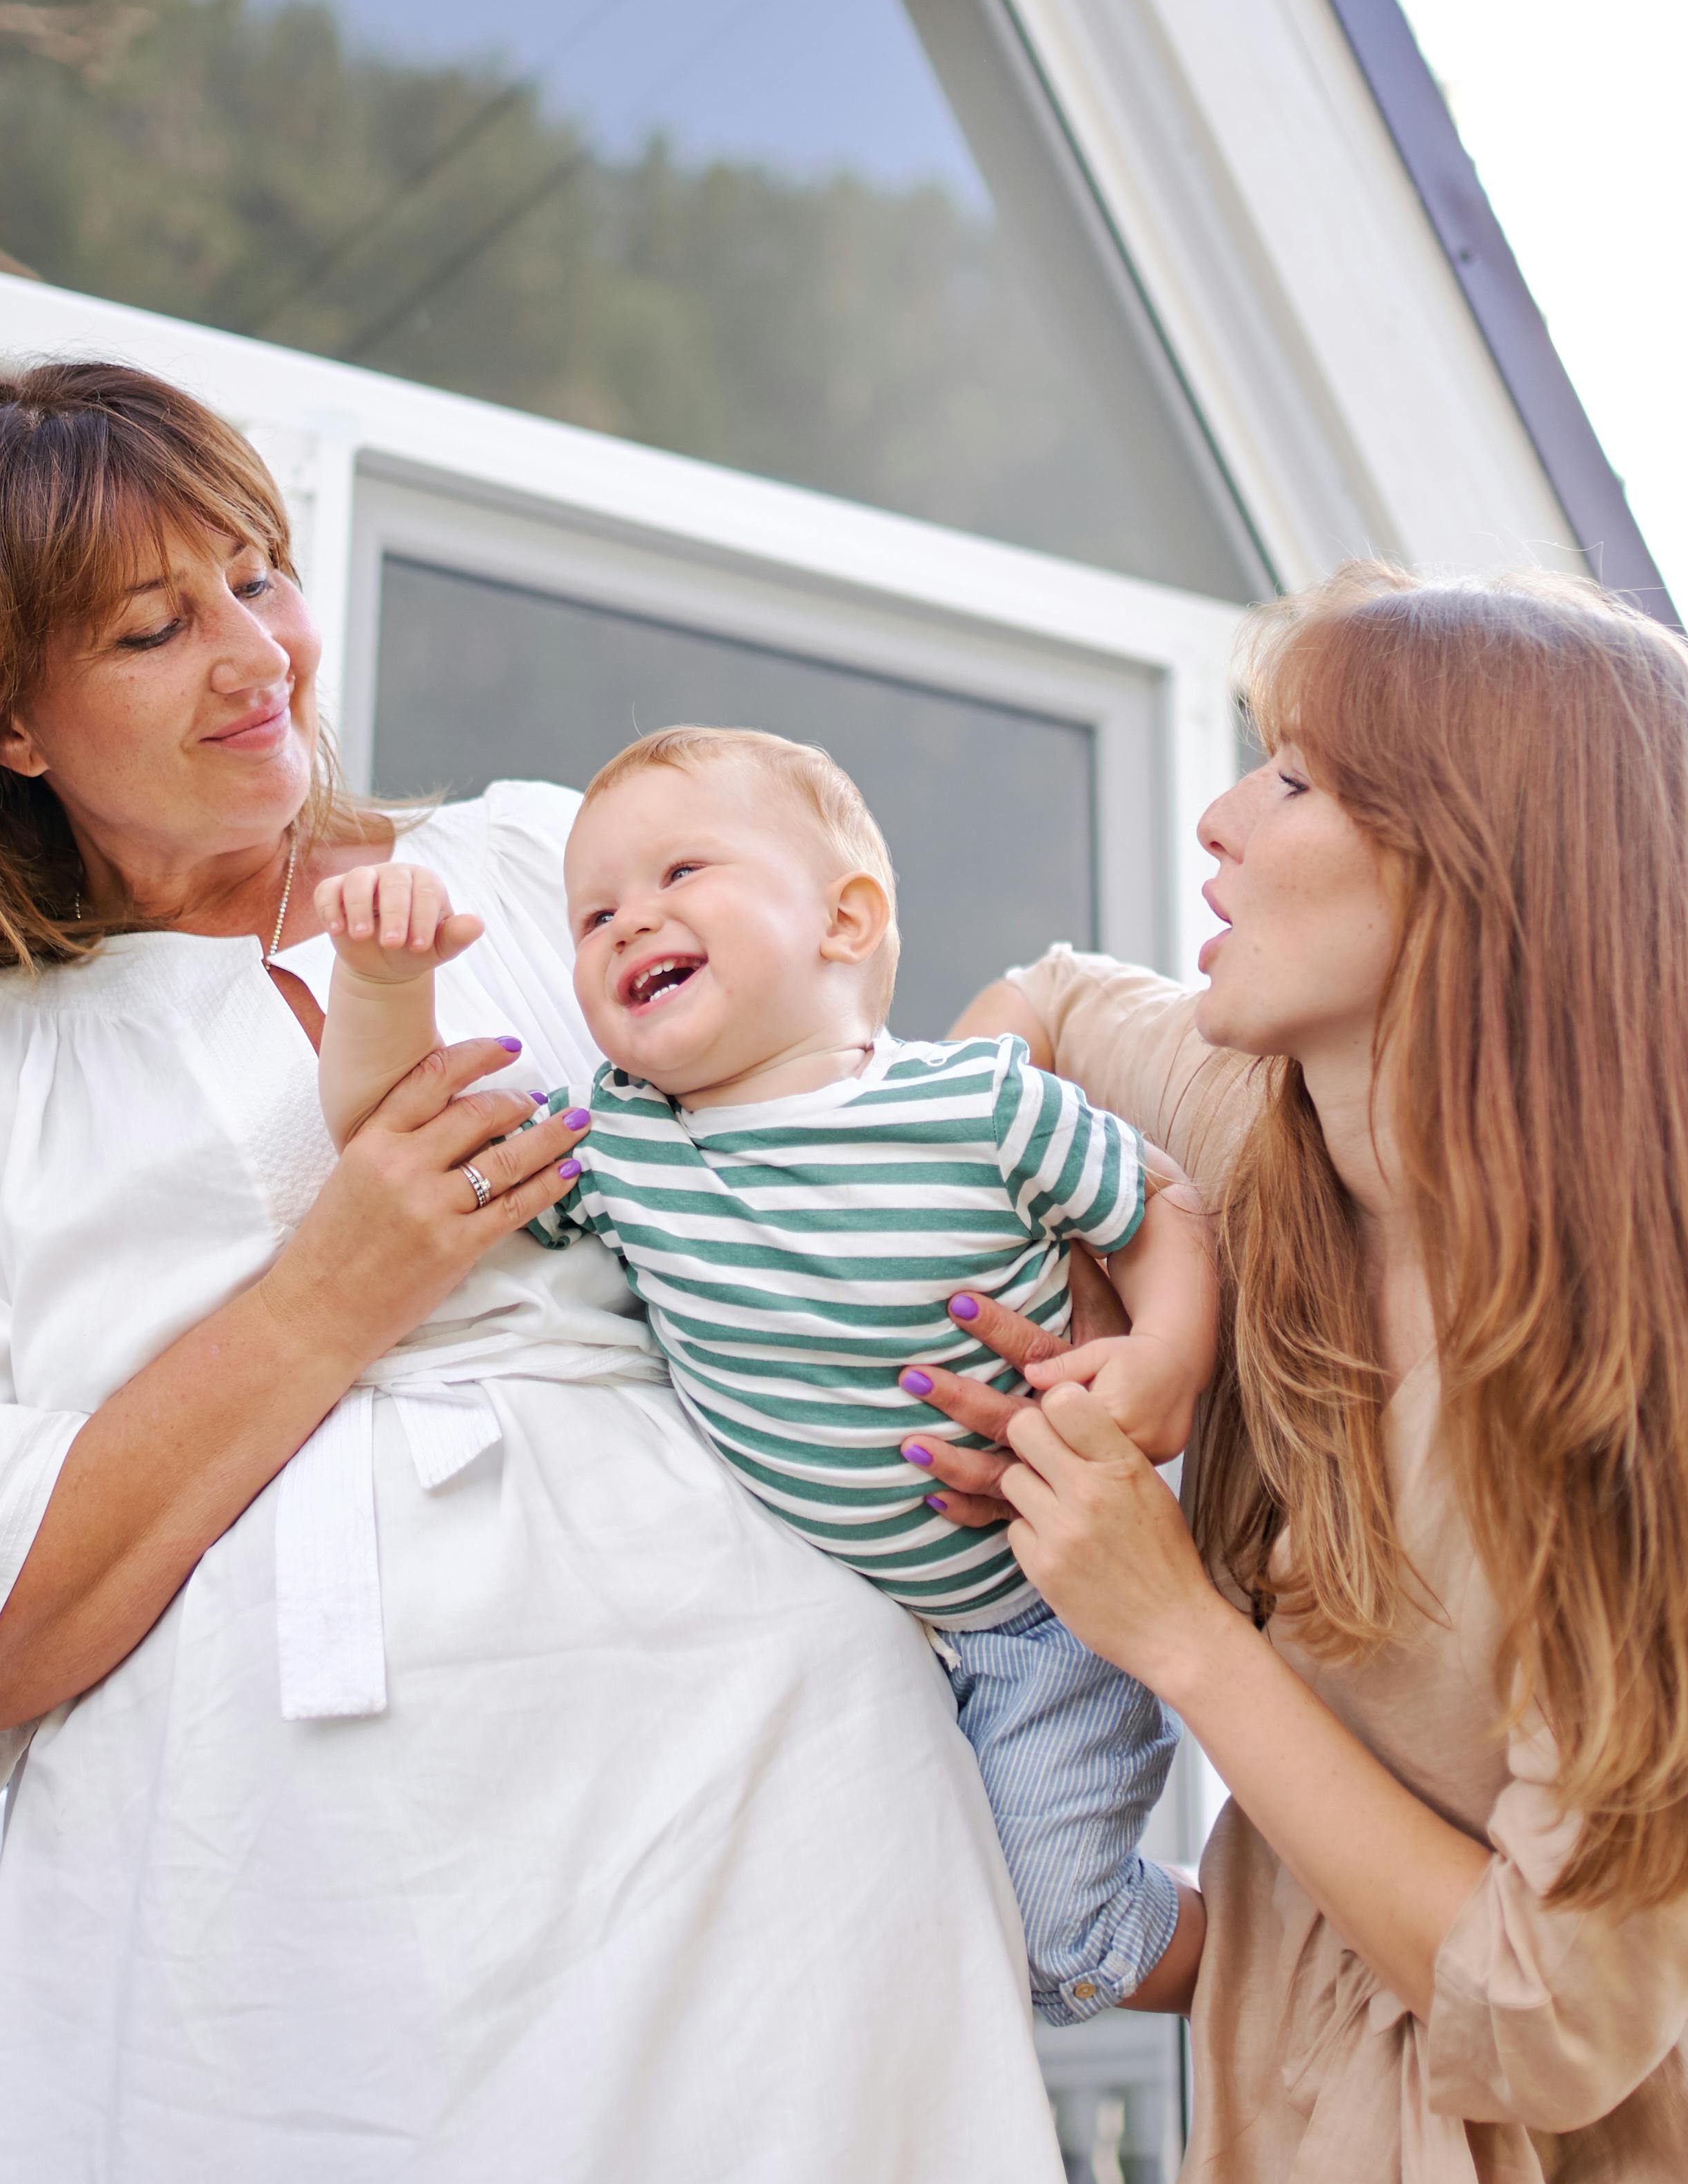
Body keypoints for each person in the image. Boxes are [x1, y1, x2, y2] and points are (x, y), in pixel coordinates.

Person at [0, 361, 1066, 2184]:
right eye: (154, 626)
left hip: (758, 1784)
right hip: (274, 1900)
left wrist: (1069, 1355)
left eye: (259, 572)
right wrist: (319, 1302)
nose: (253, 650)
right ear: (10, 726)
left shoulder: (545, 864)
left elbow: (852, 1143)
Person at [925, 565, 1688, 2184]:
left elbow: (1547, 2018)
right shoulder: (1256, 1148)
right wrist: (1119, 1300)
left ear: (1483, 865)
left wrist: (1177, 1628)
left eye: (1292, 778)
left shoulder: (1685, 1395)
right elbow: (1045, 1012)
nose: (1220, 817)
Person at [307, 722, 1216, 2024]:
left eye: (682, 875)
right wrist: (384, 983)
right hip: (858, 1650)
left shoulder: (982, 1107)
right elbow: (401, 1156)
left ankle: (1283, 1962)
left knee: (1051, 1938)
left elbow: (1155, 1209)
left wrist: (1167, 1357)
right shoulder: (624, 1148)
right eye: (594, 912)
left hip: (1043, 1618)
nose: (628, 923)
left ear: (845, 921)